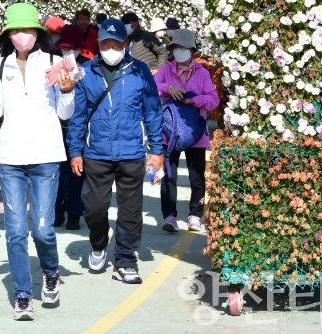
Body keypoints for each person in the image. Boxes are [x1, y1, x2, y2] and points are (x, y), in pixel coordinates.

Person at [0, 2, 78, 321]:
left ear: (37, 32)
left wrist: (69, 90)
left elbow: (66, 113)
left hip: (46, 156)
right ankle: (22, 292)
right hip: (11, 158)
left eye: (27, 30)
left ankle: (49, 271)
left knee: (43, 229)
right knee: (16, 230)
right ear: (8, 34)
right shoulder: (0, 65)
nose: (22, 36)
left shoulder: (57, 62)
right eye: (16, 30)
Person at [66, 18, 164, 284]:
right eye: (105, 44)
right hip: (96, 152)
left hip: (131, 151)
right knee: (94, 208)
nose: (110, 49)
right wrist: (75, 150)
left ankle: (125, 260)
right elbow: (78, 116)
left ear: (126, 44)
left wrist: (157, 150)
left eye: (116, 44)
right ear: (98, 45)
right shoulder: (86, 73)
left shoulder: (140, 71)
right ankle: (99, 243)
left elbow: (153, 111)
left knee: (131, 210)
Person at [153, 29, 219, 233]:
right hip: (169, 131)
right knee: (168, 175)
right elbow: (151, 88)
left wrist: (194, 99)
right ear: (172, 49)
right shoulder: (165, 69)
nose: (180, 51)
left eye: (184, 48)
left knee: (196, 176)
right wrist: (168, 88)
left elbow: (213, 100)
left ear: (192, 50)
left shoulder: (202, 73)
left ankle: (194, 215)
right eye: (177, 48)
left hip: (195, 132)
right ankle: (170, 216)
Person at [53, 24, 90, 229]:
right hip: (57, 128)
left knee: (78, 173)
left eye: (72, 48)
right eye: (65, 48)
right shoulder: (53, 66)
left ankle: (75, 213)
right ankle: (58, 212)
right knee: (57, 174)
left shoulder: (88, 67)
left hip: (80, 128)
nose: (68, 52)